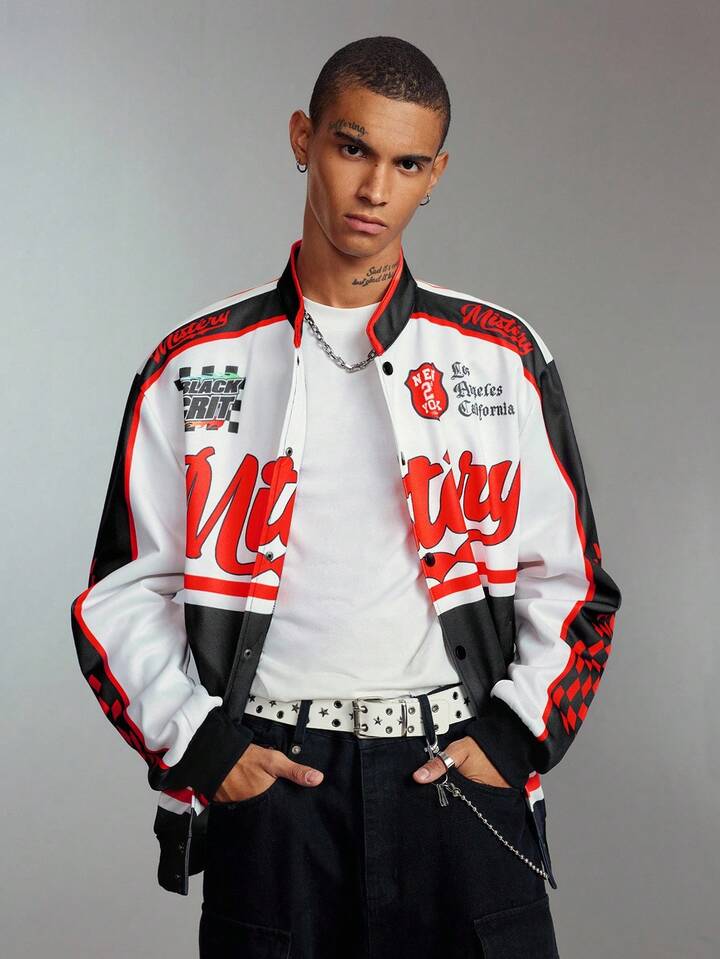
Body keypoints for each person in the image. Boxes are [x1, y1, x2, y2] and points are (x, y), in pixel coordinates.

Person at [70, 35, 621, 959]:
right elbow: (123, 591)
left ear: (435, 174)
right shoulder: (196, 364)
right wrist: (201, 746)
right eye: (352, 147)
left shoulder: (500, 356)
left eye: (407, 164)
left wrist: (516, 734)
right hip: (280, 791)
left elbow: (573, 580)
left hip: (456, 775)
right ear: (304, 138)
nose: (374, 189)